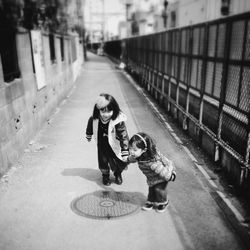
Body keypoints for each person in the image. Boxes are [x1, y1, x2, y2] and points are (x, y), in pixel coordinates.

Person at [85, 93, 129, 186]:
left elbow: (123, 135)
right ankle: (105, 175)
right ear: (98, 110)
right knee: (103, 161)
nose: (106, 114)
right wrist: (89, 134)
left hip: (114, 144)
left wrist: (125, 149)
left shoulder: (118, 120)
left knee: (118, 160)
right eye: (103, 111)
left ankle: (118, 174)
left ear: (114, 109)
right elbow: (90, 126)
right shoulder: (94, 119)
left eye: (109, 111)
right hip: (102, 144)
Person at [127, 132, 176, 213]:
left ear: (144, 150)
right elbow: (133, 158)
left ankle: (164, 202)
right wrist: (128, 160)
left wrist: (171, 176)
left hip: (162, 177)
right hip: (152, 178)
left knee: (159, 190)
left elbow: (163, 172)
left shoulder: (153, 163)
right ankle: (150, 202)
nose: (131, 151)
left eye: (134, 150)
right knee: (152, 189)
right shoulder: (140, 155)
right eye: (130, 148)